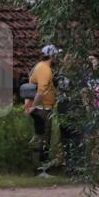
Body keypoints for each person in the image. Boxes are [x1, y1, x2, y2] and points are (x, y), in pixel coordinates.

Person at [24, 44, 60, 177]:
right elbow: (41, 90)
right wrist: (34, 105)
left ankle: (41, 167)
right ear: (52, 56)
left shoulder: (39, 66)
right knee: (42, 137)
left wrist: (28, 105)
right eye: (56, 55)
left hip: (41, 107)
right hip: (42, 109)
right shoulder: (45, 69)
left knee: (42, 136)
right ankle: (40, 168)